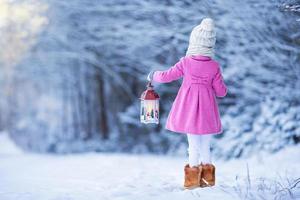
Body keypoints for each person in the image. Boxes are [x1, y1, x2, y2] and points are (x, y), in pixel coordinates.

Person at [147, 18, 227, 189]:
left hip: (189, 110)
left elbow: (166, 76)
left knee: (193, 146)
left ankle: (191, 183)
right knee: (206, 146)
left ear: (194, 42)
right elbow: (221, 92)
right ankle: (208, 182)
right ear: (210, 45)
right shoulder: (214, 66)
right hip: (207, 112)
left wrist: (153, 75)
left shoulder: (186, 62)